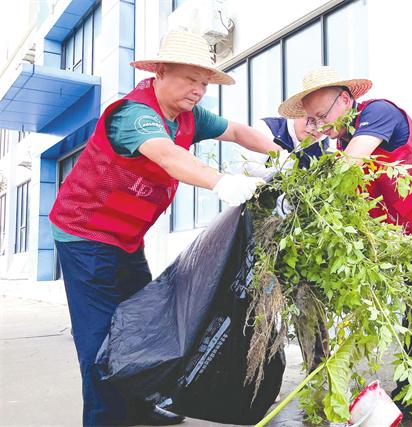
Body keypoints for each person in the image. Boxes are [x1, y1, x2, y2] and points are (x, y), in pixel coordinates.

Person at [48, 30, 286, 426]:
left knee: (142, 325)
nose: (198, 90)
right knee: (100, 336)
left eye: (204, 83)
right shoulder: (134, 114)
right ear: (160, 72)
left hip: (126, 239)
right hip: (84, 234)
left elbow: (238, 132)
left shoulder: (189, 116)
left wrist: (285, 157)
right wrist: (222, 182)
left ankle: (142, 406)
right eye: (190, 79)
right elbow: (167, 155)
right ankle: (106, 419)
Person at [278, 66, 412, 427]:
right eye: (313, 120)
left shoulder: (378, 114)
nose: (320, 126)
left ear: (345, 100)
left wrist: (307, 185)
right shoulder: (342, 143)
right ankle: (411, 405)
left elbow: (349, 166)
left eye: (322, 115)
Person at [241, 116, 328, 179]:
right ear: (297, 113)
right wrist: (282, 170)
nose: (314, 128)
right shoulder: (269, 128)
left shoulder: (323, 146)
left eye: (323, 124)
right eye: (311, 119)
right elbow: (250, 172)